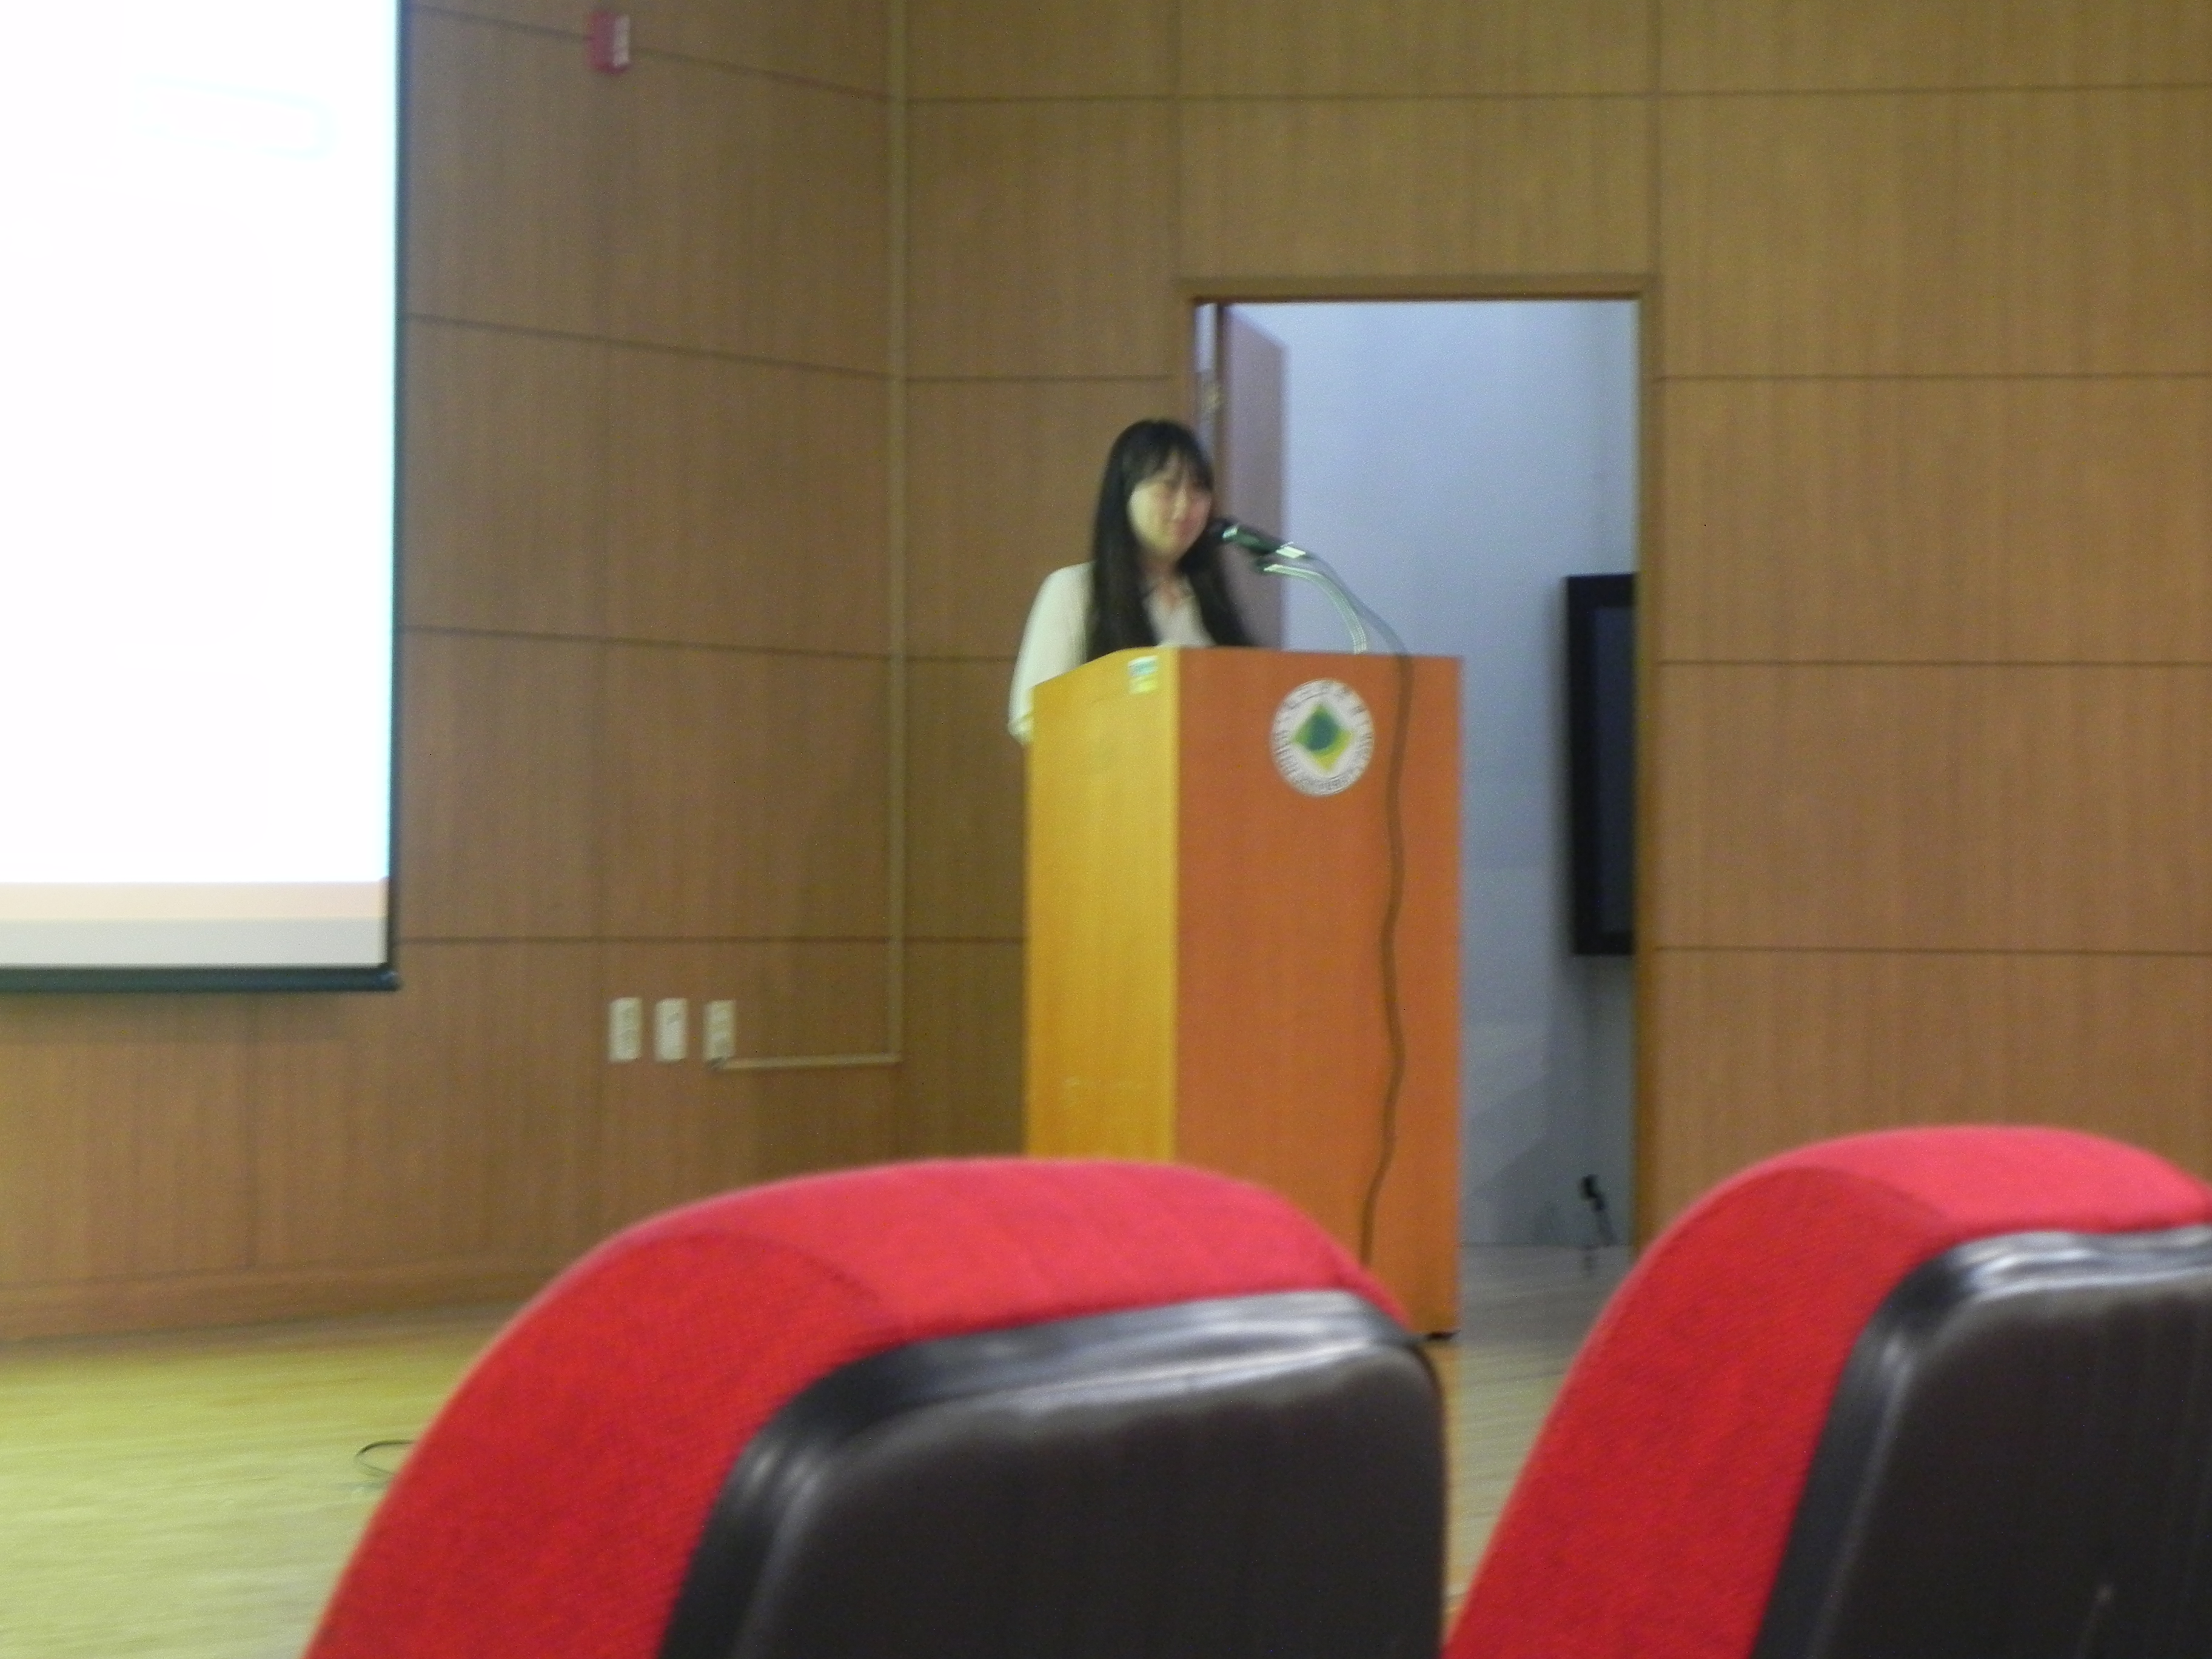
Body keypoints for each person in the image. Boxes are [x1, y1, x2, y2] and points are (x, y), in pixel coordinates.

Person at [1007, 418, 1255, 742]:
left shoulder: (1210, 601)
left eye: (1198, 490)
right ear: (1125, 495)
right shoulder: (1074, 591)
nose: (1184, 507)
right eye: (1167, 487)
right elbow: (1032, 717)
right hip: (1110, 772)